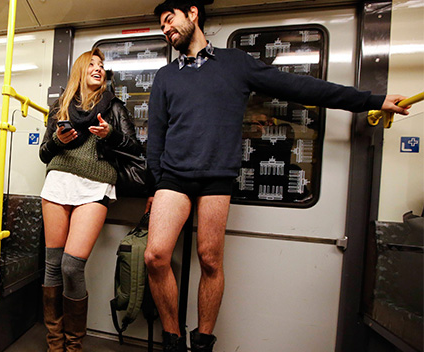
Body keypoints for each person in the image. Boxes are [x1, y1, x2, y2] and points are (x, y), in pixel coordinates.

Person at [145, 1, 411, 351]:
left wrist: (372, 100)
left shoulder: (235, 63)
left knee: (210, 260)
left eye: (169, 20)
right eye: (162, 26)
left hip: (217, 176)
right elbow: (157, 135)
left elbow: (300, 88)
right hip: (174, 175)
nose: (166, 29)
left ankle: (203, 343)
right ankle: (173, 341)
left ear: (192, 14)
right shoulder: (166, 76)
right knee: (155, 256)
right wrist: (153, 184)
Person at [39, 48, 142, 351]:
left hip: (95, 185)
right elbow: (44, 152)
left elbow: (133, 147)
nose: (98, 69)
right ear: (81, 70)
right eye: (92, 65)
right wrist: (59, 140)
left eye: (102, 66)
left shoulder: (113, 107)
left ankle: (74, 346)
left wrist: (110, 134)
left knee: (72, 266)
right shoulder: (60, 106)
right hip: (58, 183)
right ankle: (55, 344)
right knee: (53, 265)